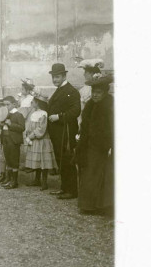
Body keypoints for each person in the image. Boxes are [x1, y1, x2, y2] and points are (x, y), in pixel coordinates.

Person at [76, 73, 114, 215]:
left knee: (102, 175)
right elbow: (85, 124)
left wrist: (110, 145)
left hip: (104, 146)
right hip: (89, 145)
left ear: (105, 93)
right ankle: (88, 205)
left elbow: (112, 127)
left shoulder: (109, 104)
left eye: (99, 92)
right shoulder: (90, 105)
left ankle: (103, 205)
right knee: (89, 173)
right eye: (94, 92)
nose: (95, 95)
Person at [46, 63, 81, 200]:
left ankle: (72, 191)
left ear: (64, 76)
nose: (55, 80)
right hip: (57, 133)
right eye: (54, 77)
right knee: (61, 160)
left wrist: (59, 117)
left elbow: (75, 111)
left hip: (66, 132)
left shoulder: (71, 91)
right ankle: (64, 187)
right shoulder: (60, 90)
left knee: (67, 160)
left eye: (58, 77)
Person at [23, 93, 57, 190]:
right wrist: (27, 134)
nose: (31, 103)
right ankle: (37, 180)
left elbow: (41, 129)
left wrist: (31, 136)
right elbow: (30, 126)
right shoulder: (33, 113)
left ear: (37, 103)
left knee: (43, 161)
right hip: (34, 140)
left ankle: (44, 182)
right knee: (37, 160)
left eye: (33, 101)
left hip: (41, 140)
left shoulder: (44, 114)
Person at [0, 96, 25, 189]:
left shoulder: (18, 115)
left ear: (14, 104)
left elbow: (22, 128)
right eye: (4, 105)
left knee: (14, 160)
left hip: (13, 140)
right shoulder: (5, 115)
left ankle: (14, 181)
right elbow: (2, 127)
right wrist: (1, 125)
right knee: (8, 159)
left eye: (8, 104)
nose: (6, 107)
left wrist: (10, 124)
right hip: (5, 139)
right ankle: (9, 179)